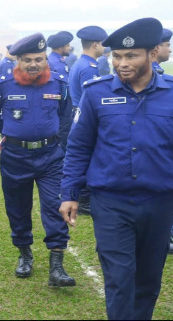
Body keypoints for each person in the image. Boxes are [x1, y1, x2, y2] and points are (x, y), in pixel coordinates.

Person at [60, 18, 173, 320]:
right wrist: (69, 192)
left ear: (151, 54)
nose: (121, 63)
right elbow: (78, 146)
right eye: (117, 56)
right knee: (120, 279)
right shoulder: (96, 92)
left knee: (149, 281)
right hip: (111, 202)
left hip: (159, 202)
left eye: (130, 56)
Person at [0, 33, 75, 287]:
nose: (34, 64)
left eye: (39, 59)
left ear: (45, 59)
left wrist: (56, 139)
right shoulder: (3, 84)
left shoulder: (59, 82)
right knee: (18, 206)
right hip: (15, 156)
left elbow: (65, 115)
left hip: (50, 157)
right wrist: (15, 133)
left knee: (55, 206)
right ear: (18, 61)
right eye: (28, 60)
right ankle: (24, 253)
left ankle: (57, 265)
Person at [67, 25, 107, 215]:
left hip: (77, 111)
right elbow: (91, 97)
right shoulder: (89, 67)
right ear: (95, 44)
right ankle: (84, 199)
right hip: (85, 114)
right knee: (89, 154)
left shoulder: (80, 63)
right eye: (102, 45)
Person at [47, 31, 74, 148]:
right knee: (62, 130)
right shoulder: (55, 62)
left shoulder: (60, 60)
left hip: (64, 102)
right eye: (67, 45)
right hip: (59, 103)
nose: (69, 48)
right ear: (60, 47)